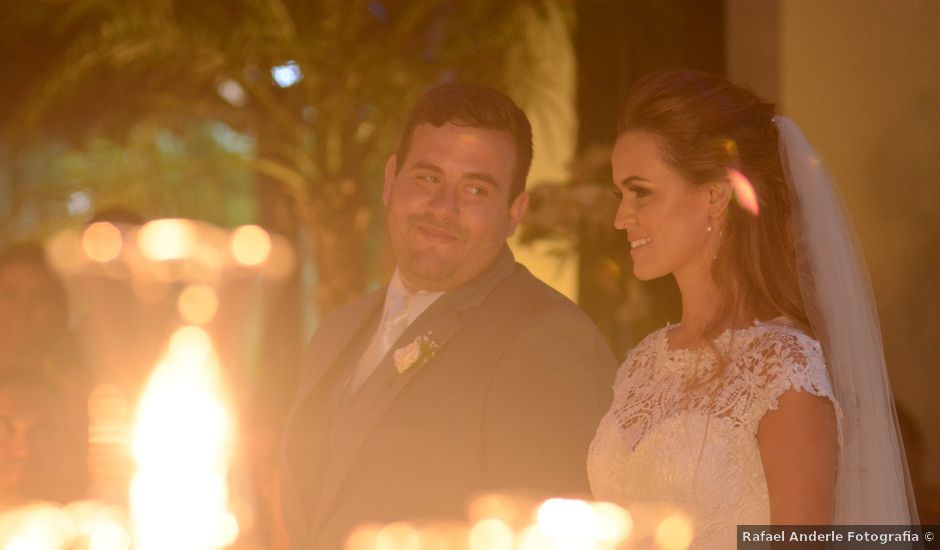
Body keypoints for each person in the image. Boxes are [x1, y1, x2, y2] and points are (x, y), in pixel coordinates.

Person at [587, 69, 918, 547]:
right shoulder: (641, 363)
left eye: (641, 191)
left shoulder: (784, 369)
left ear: (715, 196)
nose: (621, 216)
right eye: (620, 194)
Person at [279, 82, 617, 549]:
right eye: (428, 178)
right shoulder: (337, 330)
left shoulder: (548, 341)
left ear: (514, 212)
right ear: (391, 179)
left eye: (476, 189)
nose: (443, 208)